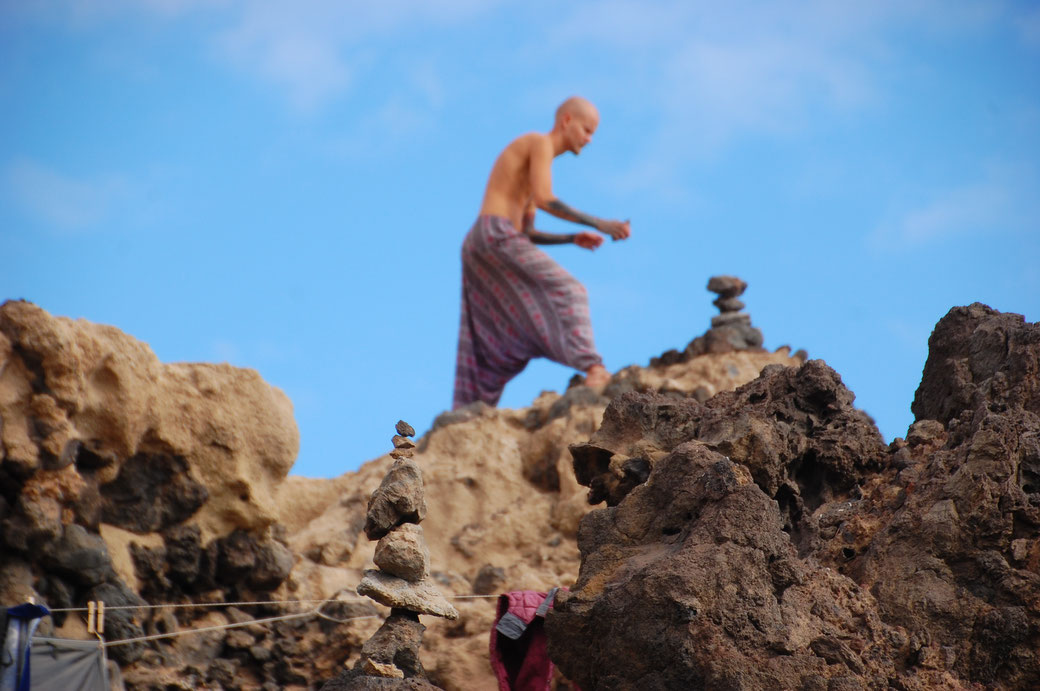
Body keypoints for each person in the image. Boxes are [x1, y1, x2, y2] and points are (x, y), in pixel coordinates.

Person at [452, 96, 631, 409]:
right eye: (587, 130)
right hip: (492, 234)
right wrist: (602, 223)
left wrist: (572, 238)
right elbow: (547, 199)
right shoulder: (539, 143)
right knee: (570, 290)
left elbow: (527, 234)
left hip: (484, 241)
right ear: (566, 122)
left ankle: (470, 410)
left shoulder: (535, 163)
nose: (589, 140)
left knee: (492, 332)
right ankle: (593, 367)